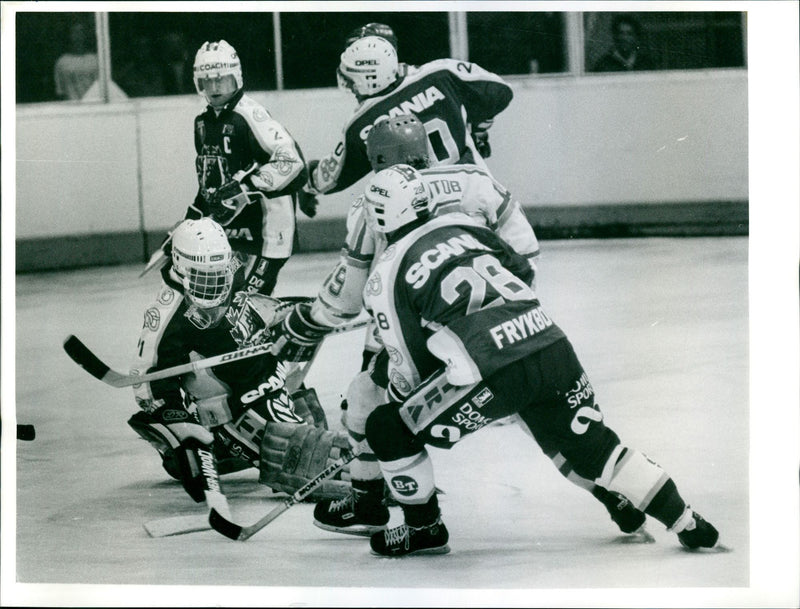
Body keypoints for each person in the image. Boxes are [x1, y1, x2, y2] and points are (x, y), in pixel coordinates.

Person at [270, 114, 650, 540]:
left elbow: (345, 297)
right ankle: (612, 496)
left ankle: (370, 501)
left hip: (411, 325)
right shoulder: (475, 180)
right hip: (505, 325)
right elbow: (524, 251)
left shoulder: (374, 201)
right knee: (541, 419)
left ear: (378, 160)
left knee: (366, 400)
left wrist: (304, 320)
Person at [357, 165, 722, 556]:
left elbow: (409, 374)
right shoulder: (464, 224)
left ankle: (424, 529)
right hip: (548, 341)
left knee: (386, 427)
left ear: (379, 216)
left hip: (492, 368)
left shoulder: (384, 276)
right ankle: (687, 521)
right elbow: (523, 271)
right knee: (596, 447)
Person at [127, 217, 350, 506]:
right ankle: (212, 445)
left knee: (315, 429)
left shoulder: (231, 269)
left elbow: (251, 302)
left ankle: (222, 451)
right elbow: (149, 379)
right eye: (205, 276)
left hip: (270, 372)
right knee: (305, 458)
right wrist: (179, 427)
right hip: (239, 405)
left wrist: (290, 317)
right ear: (180, 266)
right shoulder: (167, 315)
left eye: (220, 273)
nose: (216, 284)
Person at [149, 40, 311, 298]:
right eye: (207, 81)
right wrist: (182, 230)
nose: (214, 87)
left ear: (236, 78)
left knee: (242, 304)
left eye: (221, 79)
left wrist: (245, 187)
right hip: (231, 235)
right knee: (220, 301)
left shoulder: (250, 115)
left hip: (267, 235)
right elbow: (210, 187)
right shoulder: (203, 122)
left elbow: (292, 163)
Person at [298, 30, 513, 211]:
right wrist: (478, 128)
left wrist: (307, 186)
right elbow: (499, 93)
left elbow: (333, 176)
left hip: (419, 207)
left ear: (368, 79)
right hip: (474, 189)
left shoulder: (361, 123)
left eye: (351, 80)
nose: (351, 88)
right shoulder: (441, 73)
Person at [590, 14, 654, 73]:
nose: (624, 38)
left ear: (636, 37)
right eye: (621, 33)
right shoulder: (603, 66)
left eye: (629, 34)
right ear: (615, 36)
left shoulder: (646, 64)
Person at [54, 21, 99, 101]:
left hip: (93, 106)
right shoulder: (62, 62)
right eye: (75, 32)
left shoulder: (95, 59)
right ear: (69, 36)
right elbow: (60, 92)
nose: (78, 36)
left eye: (81, 32)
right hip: (71, 109)